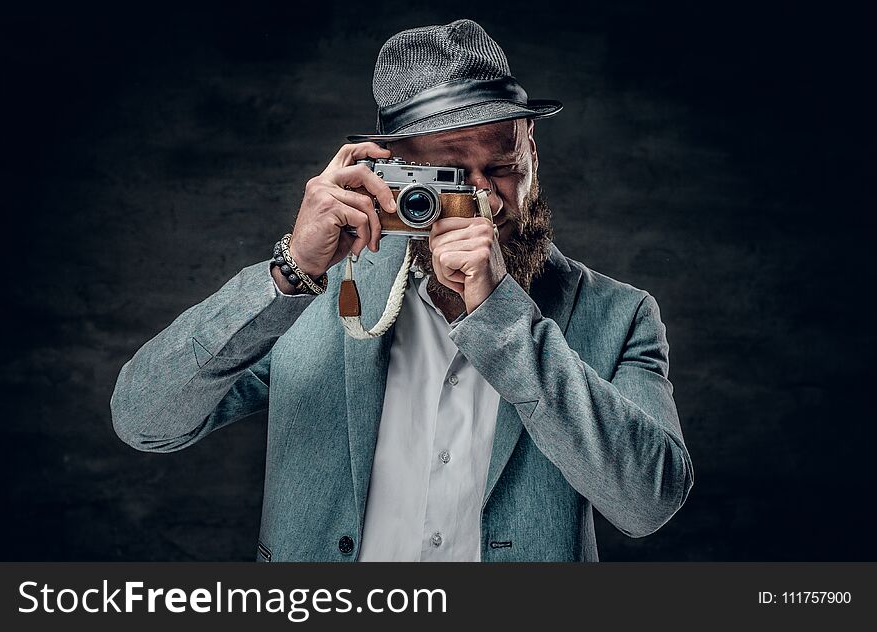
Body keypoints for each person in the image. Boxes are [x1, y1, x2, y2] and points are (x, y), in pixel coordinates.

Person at [110, 18, 694, 562]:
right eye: (449, 179)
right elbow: (144, 420)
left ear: (532, 149)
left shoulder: (619, 315)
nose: (484, 202)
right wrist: (289, 274)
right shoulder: (320, 299)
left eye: (502, 167)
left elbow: (649, 504)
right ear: (389, 172)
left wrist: (502, 322)